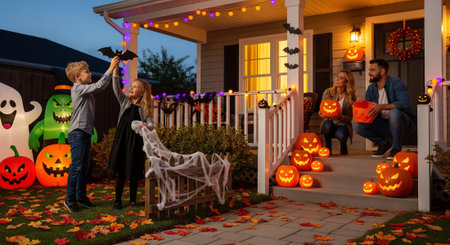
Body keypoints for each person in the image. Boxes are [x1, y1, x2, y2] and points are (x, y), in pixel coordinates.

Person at [64, 56, 120, 213]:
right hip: (77, 133)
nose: (90, 74)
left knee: (84, 167)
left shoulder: (85, 91)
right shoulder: (77, 88)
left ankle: (81, 197)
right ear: (77, 77)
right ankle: (70, 199)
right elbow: (100, 85)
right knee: (77, 166)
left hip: (85, 133)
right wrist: (110, 68)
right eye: (86, 72)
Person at [108, 70, 154, 210]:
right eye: (131, 86)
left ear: (142, 92)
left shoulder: (144, 109)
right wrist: (115, 73)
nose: (131, 88)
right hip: (122, 140)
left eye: (135, 87)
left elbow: (152, 125)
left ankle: (133, 200)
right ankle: (118, 201)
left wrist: (146, 125)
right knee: (121, 171)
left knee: (133, 171)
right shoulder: (124, 102)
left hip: (135, 143)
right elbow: (116, 88)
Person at [353, 59, 416, 159]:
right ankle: (383, 144)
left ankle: (396, 148)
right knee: (357, 125)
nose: (369, 73)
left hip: (403, 125)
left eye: (372, 70)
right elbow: (368, 111)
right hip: (383, 125)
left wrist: (381, 106)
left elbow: (404, 103)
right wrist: (362, 104)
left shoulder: (396, 83)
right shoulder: (371, 88)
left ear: (382, 72)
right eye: (369, 70)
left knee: (394, 113)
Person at [319, 69, 356, 155]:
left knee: (342, 135)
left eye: (341, 78)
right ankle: (328, 146)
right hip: (330, 123)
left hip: (342, 125)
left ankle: (343, 146)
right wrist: (321, 114)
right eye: (337, 77)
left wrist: (340, 117)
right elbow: (322, 109)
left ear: (346, 82)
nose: (337, 79)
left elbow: (349, 118)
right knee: (327, 125)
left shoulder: (351, 97)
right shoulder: (328, 92)